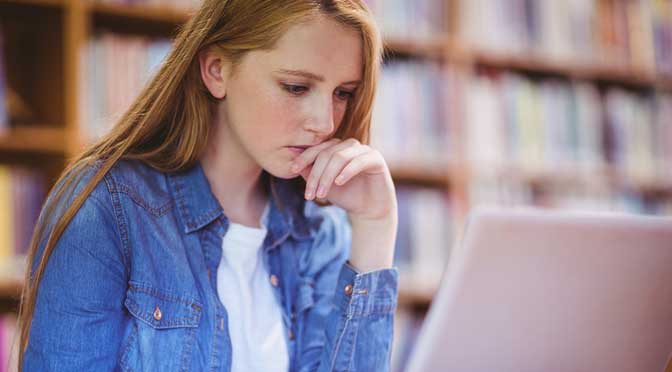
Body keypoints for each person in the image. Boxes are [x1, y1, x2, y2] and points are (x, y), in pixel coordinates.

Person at [16, 0, 399, 371]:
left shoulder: (320, 232)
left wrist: (375, 224)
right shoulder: (108, 208)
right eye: (296, 87)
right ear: (216, 70)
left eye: (342, 93)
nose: (325, 122)